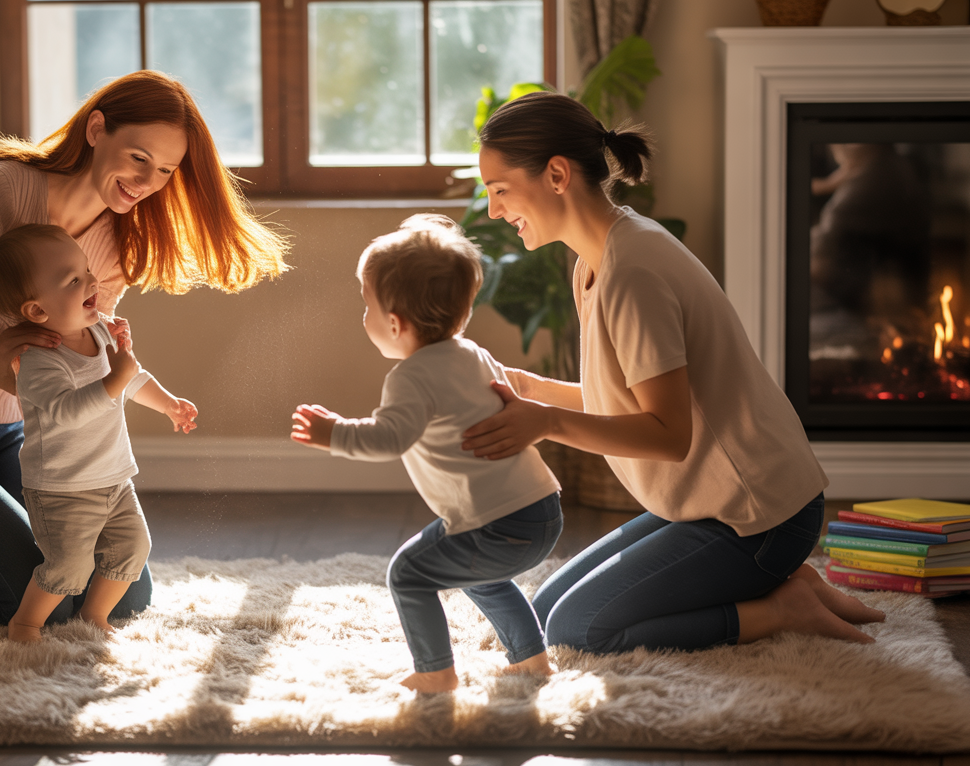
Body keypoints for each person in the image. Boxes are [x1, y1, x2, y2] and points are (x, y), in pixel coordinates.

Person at [460, 92, 885, 655]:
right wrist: (529, 389)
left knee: (578, 629)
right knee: (543, 616)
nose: (493, 210)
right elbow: (623, 398)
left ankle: (781, 605)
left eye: (499, 190)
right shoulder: (597, 259)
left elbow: (667, 432)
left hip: (758, 519)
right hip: (710, 509)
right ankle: (789, 583)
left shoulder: (633, 271)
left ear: (557, 174)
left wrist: (543, 423)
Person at [0, 70, 287, 628]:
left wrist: (115, 362)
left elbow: (77, 355)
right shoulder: (1, 191)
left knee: (120, 593)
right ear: (95, 130)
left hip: (23, 437)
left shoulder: (118, 240)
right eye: (138, 157)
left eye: (164, 171)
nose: (147, 181)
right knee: (38, 599)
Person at [290, 214, 562, 693]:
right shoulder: (471, 352)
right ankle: (531, 660)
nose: (364, 316)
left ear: (394, 323)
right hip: (539, 509)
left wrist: (332, 433)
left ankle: (436, 672)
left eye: (366, 306)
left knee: (410, 572)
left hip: (497, 523)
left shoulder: (412, 377)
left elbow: (387, 439)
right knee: (483, 577)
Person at [0, 224, 197, 642]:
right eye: (73, 280)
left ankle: (94, 615)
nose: (92, 281)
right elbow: (67, 412)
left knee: (133, 547)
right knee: (68, 567)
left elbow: (132, 379)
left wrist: (168, 403)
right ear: (37, 312)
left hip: (114, 478)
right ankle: (25, 622)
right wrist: (117, 378)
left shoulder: (101, 331)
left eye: (86, 269)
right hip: (63, 488)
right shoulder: (40, 361)